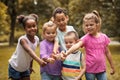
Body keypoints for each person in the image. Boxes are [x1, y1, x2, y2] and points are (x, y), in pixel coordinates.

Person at [64, 10, 115, 80]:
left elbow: (108, 52)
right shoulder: (85, 38)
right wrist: (67, 53)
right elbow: (77, 45)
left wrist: (112, 66)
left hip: (101, 69)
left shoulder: (104, 37)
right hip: (89, 70)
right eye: (86, 25)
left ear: (97, 24)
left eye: (91, 25)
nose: (89, 27)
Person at [8, 14, 46, 80]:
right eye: (29, 27)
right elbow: (29, 51)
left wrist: (30, 66)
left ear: (37, 26)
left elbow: (31, 54)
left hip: (25, 68)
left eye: (34, 26)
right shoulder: (23, 40)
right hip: (15, 67)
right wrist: (39, 61)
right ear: (25, 28)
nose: (32, 28)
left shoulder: (36, 39)